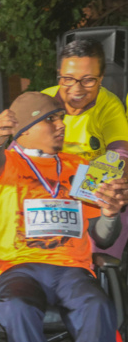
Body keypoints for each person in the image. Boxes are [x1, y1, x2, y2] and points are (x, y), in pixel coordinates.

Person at [0, 91, 128, 342]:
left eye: (61, 118)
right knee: (15, 306)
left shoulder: (79, 168)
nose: (61, 125)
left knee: (96, 304)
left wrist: (109, 212)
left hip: (72, 268)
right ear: (25, 129)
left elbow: (102, 236)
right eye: (50, 119)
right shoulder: (7, 163)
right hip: (20, 267)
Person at [41, 39, 128, 260]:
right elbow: (17, 151)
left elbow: (120, 154)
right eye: (68, 79)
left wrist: (77, 185)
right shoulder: (43, 101)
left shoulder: (109, 106)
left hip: (91, 200)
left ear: (101, 77)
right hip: (45, 198)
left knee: (117, 198)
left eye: (88, 80)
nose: (77, 90)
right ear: (58, 73)